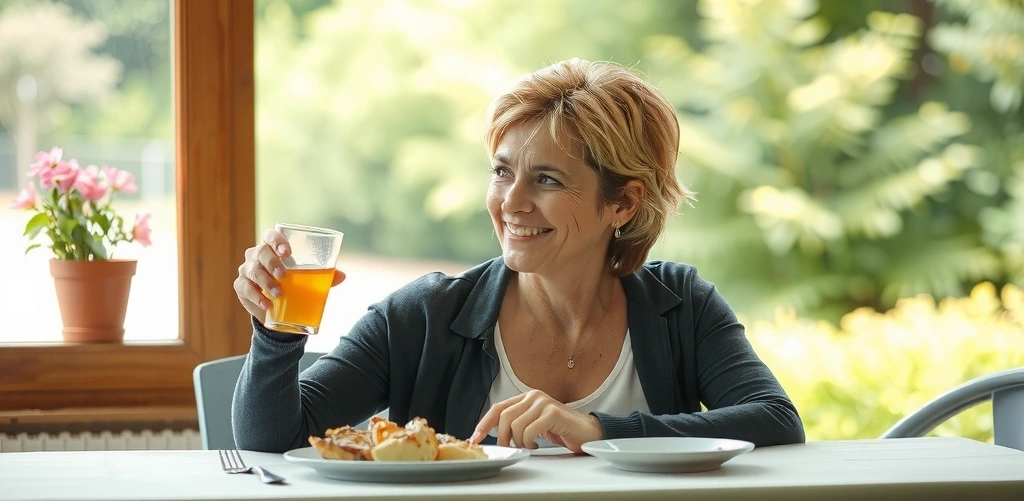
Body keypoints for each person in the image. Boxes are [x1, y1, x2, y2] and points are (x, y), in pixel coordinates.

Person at [232, 58, 804, 453]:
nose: (511, 203)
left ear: (624, 203)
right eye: (502, 171)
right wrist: (276, 330)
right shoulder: (424, 315)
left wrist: (600, 431)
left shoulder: (680, 305)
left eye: (548, 180)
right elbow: (272, 439)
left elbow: (775, 420)